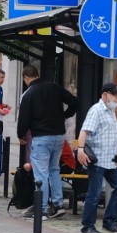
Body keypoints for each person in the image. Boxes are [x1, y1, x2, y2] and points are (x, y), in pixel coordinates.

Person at [17, 65, 79, 220]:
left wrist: (21, 135)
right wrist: (65, 115)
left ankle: (42, 209)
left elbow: (23, 118)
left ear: (26, 77)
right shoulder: (55, 88)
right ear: (37, 74)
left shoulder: (29, 93)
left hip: (41, 137)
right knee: (54, 171)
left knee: (41, 173)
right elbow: (74, 102)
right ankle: (58, 205)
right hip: (59, 136)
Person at [76, 83, 117, 233]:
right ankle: (87, 226)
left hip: (111, 160)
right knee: (94, 194)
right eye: (115, 96)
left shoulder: (111, 111)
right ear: (105, 95)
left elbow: (112, 134)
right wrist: (80, 150)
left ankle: (110, 221)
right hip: (98, 160)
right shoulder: (96, 110)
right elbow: (84, 131)